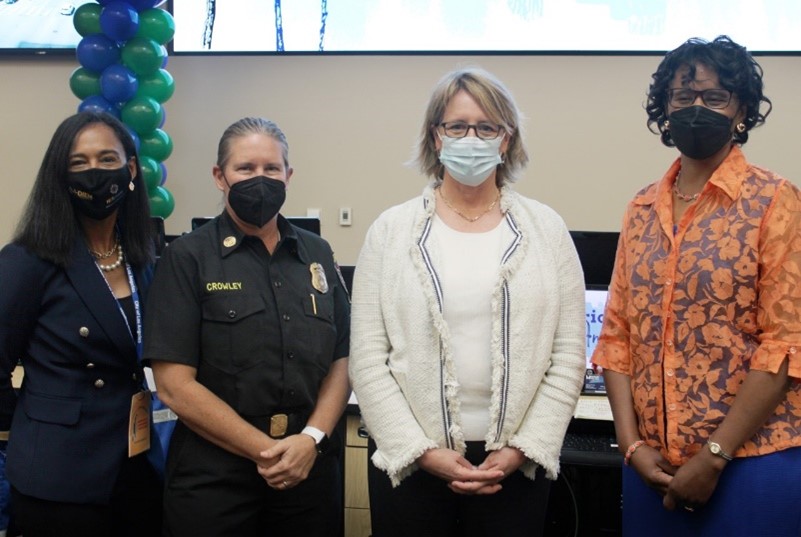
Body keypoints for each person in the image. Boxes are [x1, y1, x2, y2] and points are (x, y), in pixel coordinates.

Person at [349, 67, 586, 537]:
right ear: (436, 137)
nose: (471, 138)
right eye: (456, 126)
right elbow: (368, 360)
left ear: (506, 138)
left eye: (487, 127)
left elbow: (567, 357)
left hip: (513, 469)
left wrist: (522, 449)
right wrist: (420, 451)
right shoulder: (390, 232)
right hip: (412, 466)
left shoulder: (547, 231)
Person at [592, 35, 801, 536]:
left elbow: (784, 345)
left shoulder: (775, 201)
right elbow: (618, 338)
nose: (696, 108)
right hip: (650, 468)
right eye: (683, 98)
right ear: (664, 109)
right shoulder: (641, 209)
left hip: (752, 461)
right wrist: (631, 446)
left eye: (714, 98)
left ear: (741, 111)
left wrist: (713, 456)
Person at [143, 117, 351, 536]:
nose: (261, 179)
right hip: (216, 477)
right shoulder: (187, 257)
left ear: (288, 175)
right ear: (220, 177)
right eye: (245, 168)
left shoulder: (316, 253)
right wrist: (270, 452)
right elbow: (174, 385)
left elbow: (343, 358)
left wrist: (309, 440)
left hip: (308, 471)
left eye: (272, 169)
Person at [0, 111, 163, 536]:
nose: (95, 173)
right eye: (79, 163)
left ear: (130, 170)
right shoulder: (26, 261)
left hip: (137, 467)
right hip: (58, 478)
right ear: (60, 175)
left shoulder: (143, 259)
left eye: (107, 159)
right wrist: (37, 424)